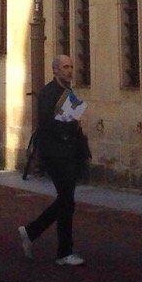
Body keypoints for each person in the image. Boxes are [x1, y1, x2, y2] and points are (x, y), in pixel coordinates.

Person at [19, 54, 89, 267]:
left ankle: (32, 232)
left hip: (67, 152)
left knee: (66, 200)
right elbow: (50, 124)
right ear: (55, 70)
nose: (69, 71)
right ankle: (63, 251)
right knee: (67, 200)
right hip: (55, 153)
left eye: (71, 67)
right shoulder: (48, 93)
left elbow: (71, 121)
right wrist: (71, 122)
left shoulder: (67, 91)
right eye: (65, 67)